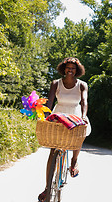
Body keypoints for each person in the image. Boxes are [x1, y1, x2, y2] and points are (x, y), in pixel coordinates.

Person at [38, 57, 91, 202]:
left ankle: (74, 160)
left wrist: (84, 116)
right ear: (63, 69)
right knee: (53, 150)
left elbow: (84, 102)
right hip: (58, 114)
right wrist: (46, 114)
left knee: (79, 136)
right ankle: (47, 187)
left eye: (73, 68)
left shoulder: (82, 85)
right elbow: (50, 101)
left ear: (77, 71)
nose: (70, 70)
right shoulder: (56, 83)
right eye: (68, 68)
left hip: (75, 114)